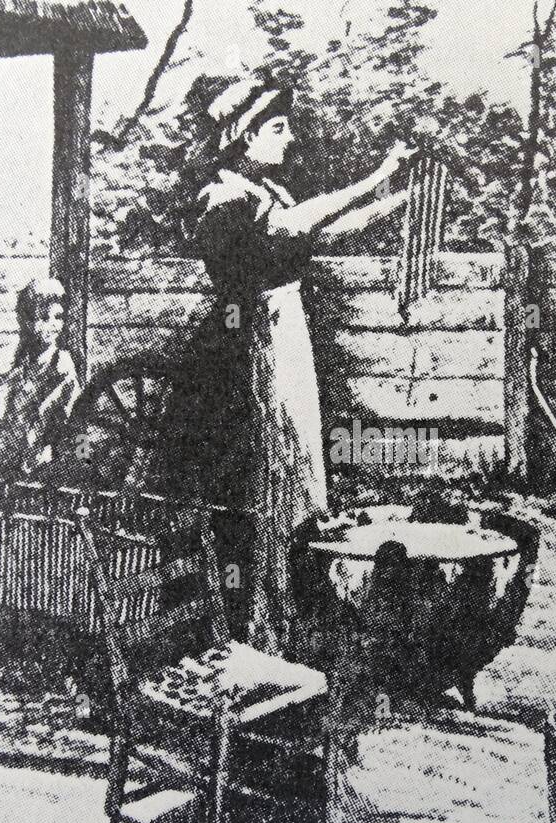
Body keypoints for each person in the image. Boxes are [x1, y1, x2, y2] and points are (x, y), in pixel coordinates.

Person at [163, 76, 416, 652]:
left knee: (300, 467)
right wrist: (377, 175)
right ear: (243, 137)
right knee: (269, 473)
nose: (289, 137)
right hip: (249, 342)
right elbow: (302, 223)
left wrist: (396, 202)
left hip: (286, 331)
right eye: (277, 128)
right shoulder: (223, 199)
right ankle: (258, 621)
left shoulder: (267, 192)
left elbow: (321, 228)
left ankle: (294, 614)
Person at [0, 278, 80, 476]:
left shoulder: (62, 367)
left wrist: (79, 461)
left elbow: (75, 419)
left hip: (46, 462)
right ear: (27, 322)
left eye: (58, 317)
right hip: (12, 460)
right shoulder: (21, 369)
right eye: (44, 318)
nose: (52, 326)